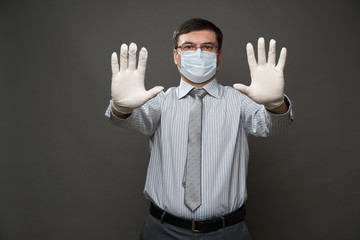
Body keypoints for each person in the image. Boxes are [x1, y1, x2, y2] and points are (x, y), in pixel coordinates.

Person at [105, 18, 293, 239]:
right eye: (188, 47)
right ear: (176, 56)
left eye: (207, 47)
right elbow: (128, 119)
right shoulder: (160, 101)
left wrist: (275, 104)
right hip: (162, 231)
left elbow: (270, 126)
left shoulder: (240, 100)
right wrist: (121, 106)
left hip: (227, 232)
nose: (198, 53)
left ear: (218, 55)